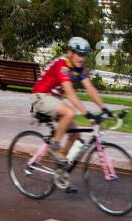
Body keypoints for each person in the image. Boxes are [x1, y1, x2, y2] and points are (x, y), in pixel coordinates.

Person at [30, 37, 109, 173]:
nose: (81, 58)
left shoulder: (79, 69)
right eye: (79, 54)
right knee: (70, 112)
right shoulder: (63, 65)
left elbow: (90, 88)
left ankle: (60, 171)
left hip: (53, 100)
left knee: (75, 135)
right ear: (70, 52)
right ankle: (54, 146)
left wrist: (104, 108)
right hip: (40, 96)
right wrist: (86, 113)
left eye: (84, 55)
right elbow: (70, 94)